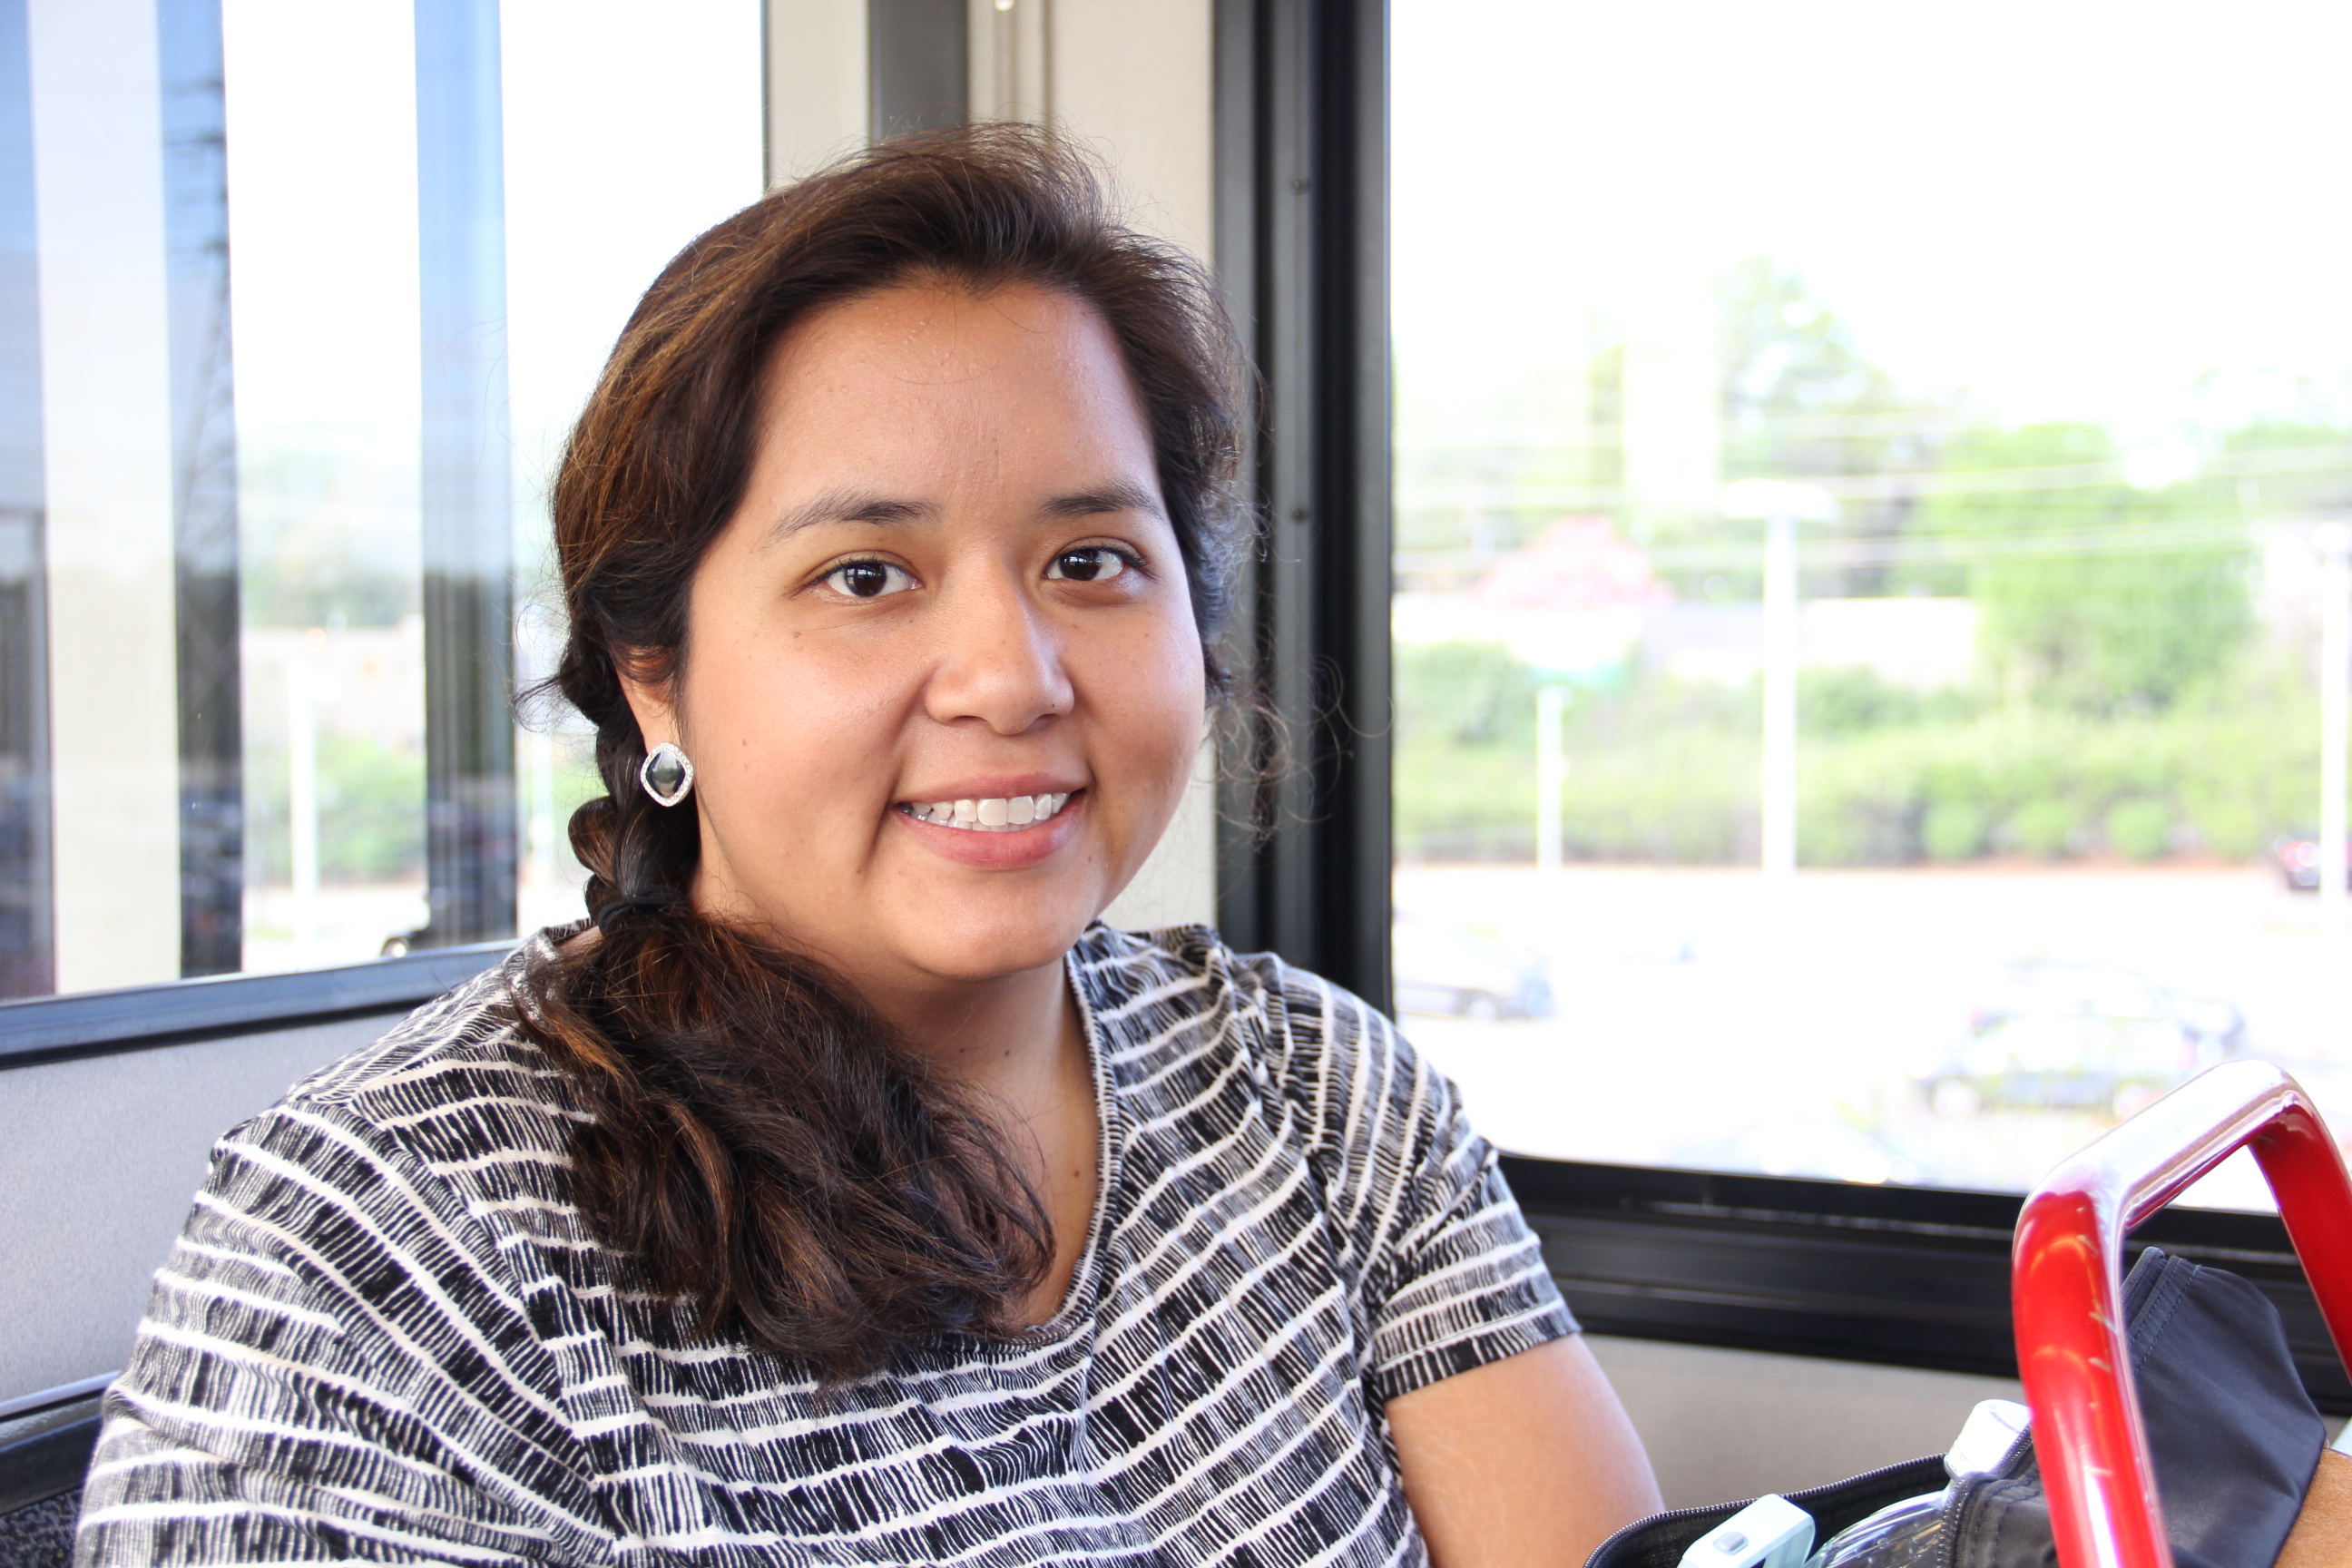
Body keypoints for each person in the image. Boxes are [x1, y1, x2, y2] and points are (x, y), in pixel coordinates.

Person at [74, 126, 1661, 1567]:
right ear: (655, 671)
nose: (1012, 680)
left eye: (1091, 560)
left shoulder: (1314, 1098)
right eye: (865, 577)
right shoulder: (384, 1245)